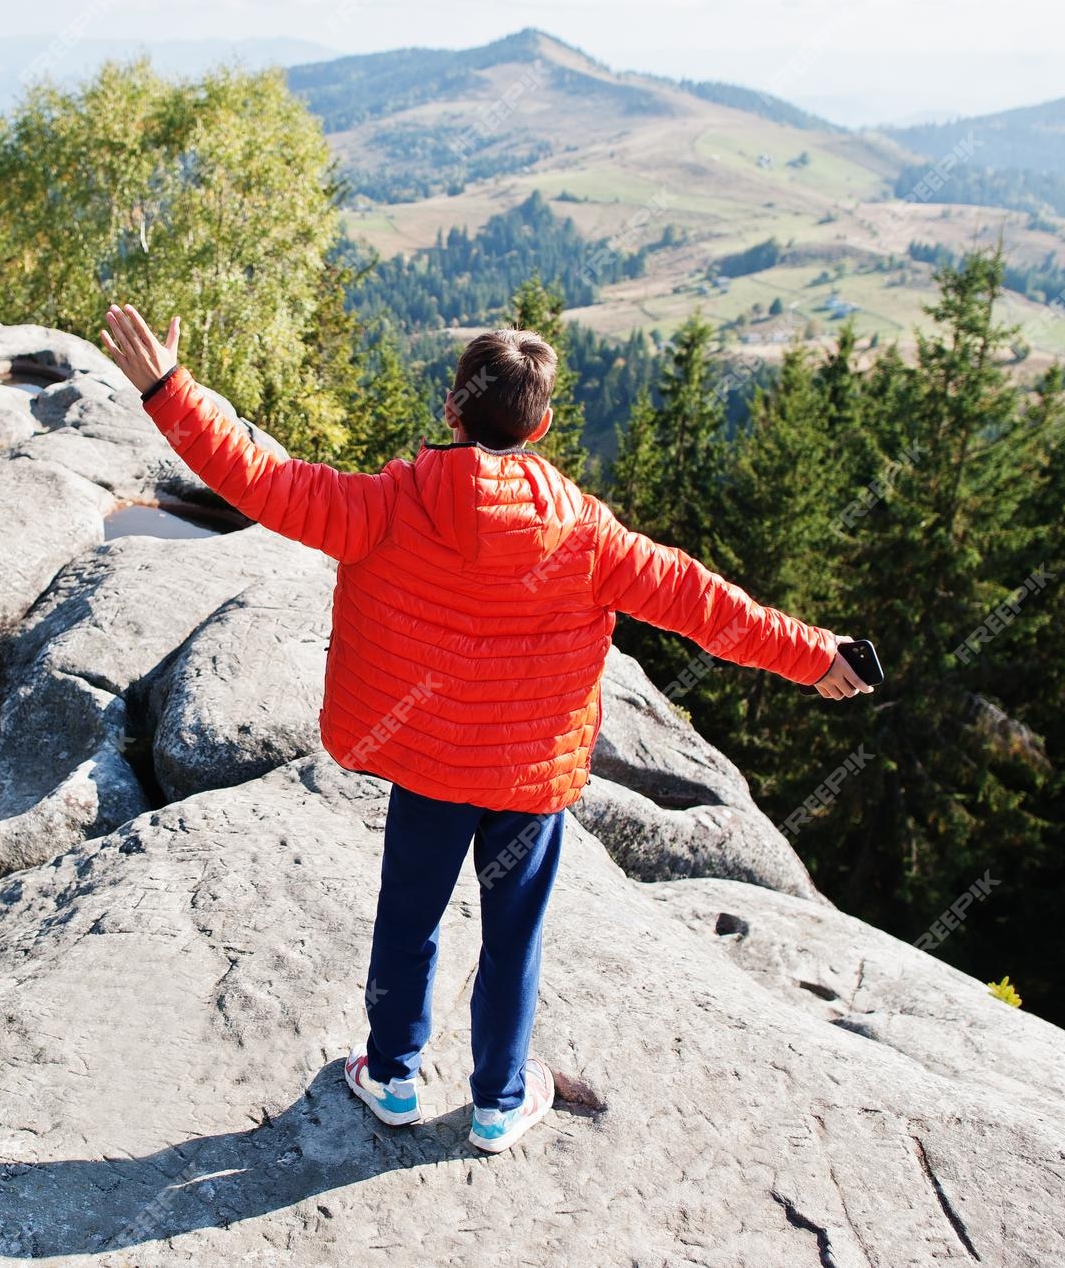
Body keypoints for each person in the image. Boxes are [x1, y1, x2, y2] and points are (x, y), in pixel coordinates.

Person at [100, 303, 874, 1155]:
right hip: (528, 782)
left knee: (409, 917)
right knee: (514, 935)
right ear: (541, 427)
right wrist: (816, 655)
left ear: (451, 408)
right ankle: (499, 1102)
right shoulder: (588, 535)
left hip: (429, 766)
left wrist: (168, 388)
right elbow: (708, 605)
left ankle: (391, 1074)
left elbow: (256, 476)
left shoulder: (384, 507)